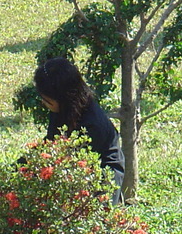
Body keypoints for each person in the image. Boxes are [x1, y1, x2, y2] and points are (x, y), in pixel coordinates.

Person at [34, 57, 124, 191]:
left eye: (47, 101)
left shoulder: (93, 125)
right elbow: (50, 144)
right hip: (70, 170)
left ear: (64, 99)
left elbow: (72, 165)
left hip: (101, 179)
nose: (44, 103)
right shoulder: (61, 109)